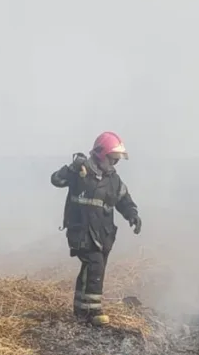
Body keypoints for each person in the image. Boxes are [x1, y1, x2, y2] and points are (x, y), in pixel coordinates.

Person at [50, 131, 142, 326]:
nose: (114, 164)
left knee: (90, 268)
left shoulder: (114, 180)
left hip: (103, 234)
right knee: (95, 265)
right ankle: (93, 312)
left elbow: (124, 200)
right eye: (112, 159)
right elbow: (56, 180)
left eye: (117, 160)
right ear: (101, 154)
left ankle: (81, 311)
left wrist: (132, 214)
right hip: (82, 231)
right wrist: (71, 168)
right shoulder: (79, 172)